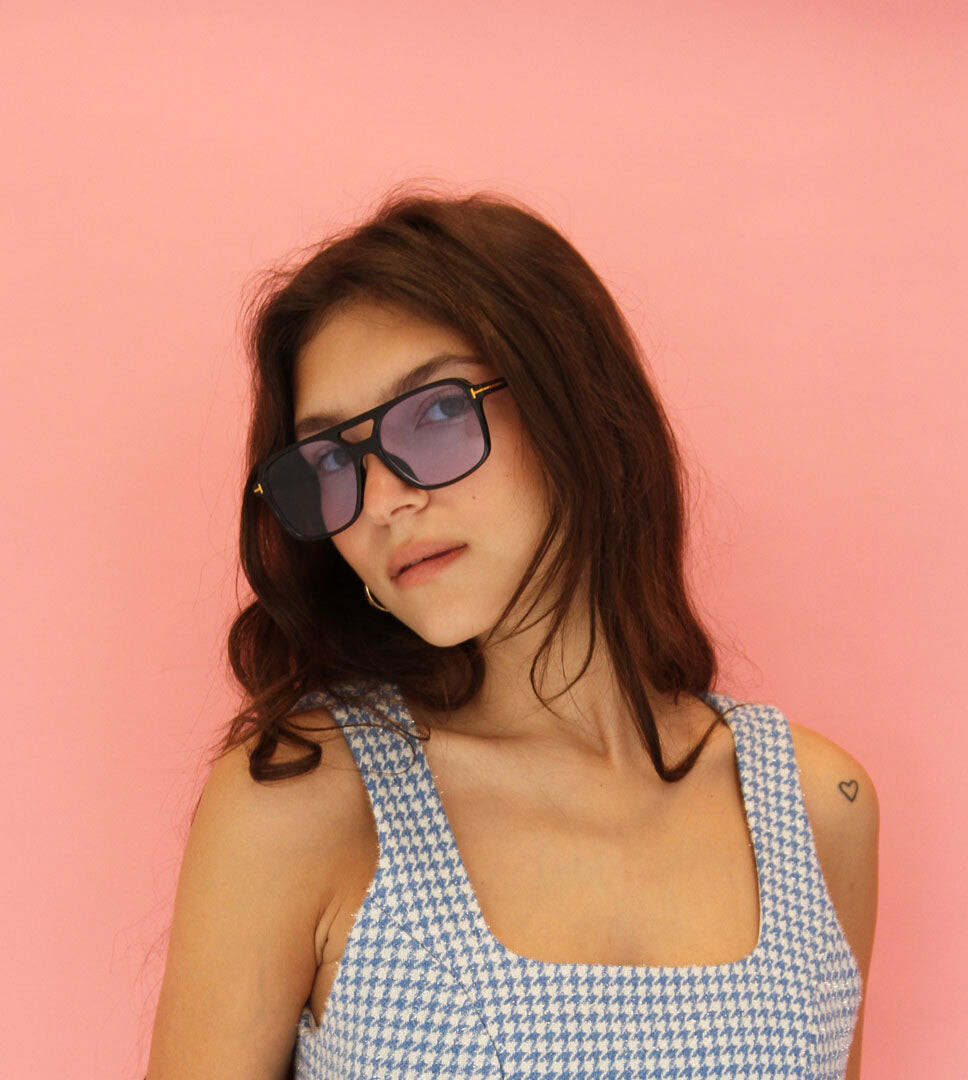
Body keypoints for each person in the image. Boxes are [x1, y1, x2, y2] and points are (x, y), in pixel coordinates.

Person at [146, 187, 879, 1080]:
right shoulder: (303, 797)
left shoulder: (820, 807)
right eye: (333, 459)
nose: (383, 500)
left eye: (436, 412)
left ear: (576, 401)